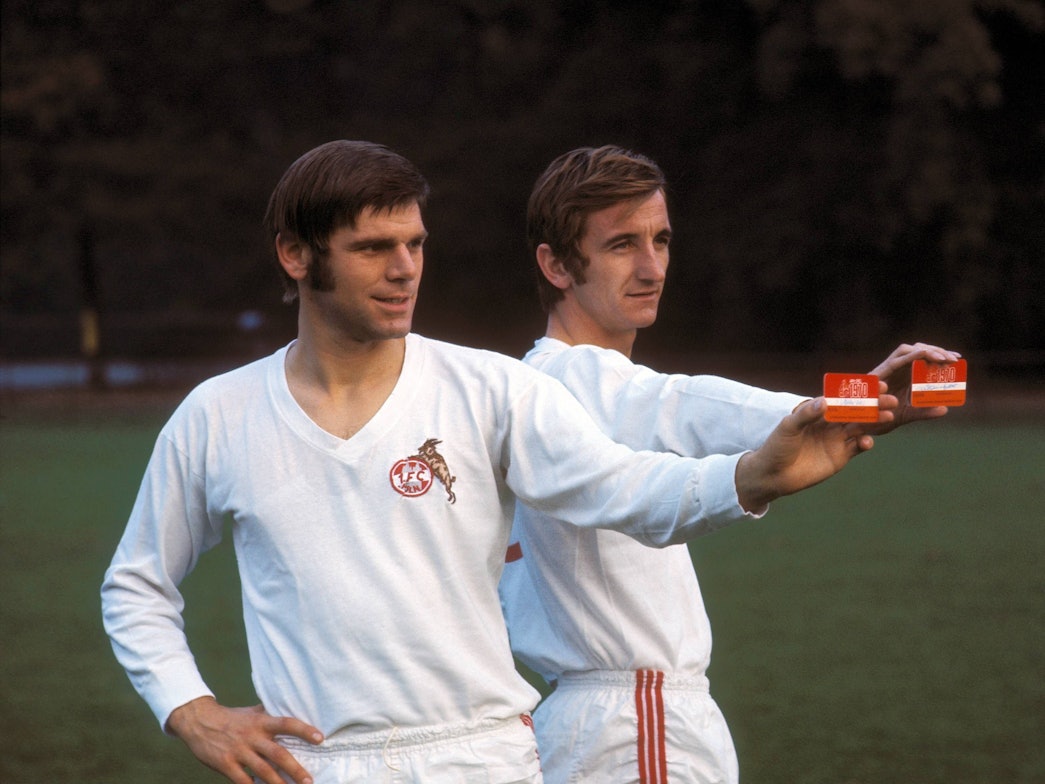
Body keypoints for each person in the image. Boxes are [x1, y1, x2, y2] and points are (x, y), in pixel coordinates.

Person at [102, 140, 903, 784]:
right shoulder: (218, 415)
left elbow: (623, 486)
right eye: (373, 247)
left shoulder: (491, 389)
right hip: (313, 766)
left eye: (414, 243)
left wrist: (750, 476)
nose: (404, 267)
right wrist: (191, 709)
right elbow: (137, 584)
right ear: (295, 255)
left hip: (480, 757)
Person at [499, 145, 961, 784]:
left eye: (660, 240)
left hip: (609, 724)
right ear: (554, 265)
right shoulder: (566, 376)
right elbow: (675, 404)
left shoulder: (531, 394)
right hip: (637, 724)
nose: (651, 265)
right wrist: (824, 406)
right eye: (621, 245)